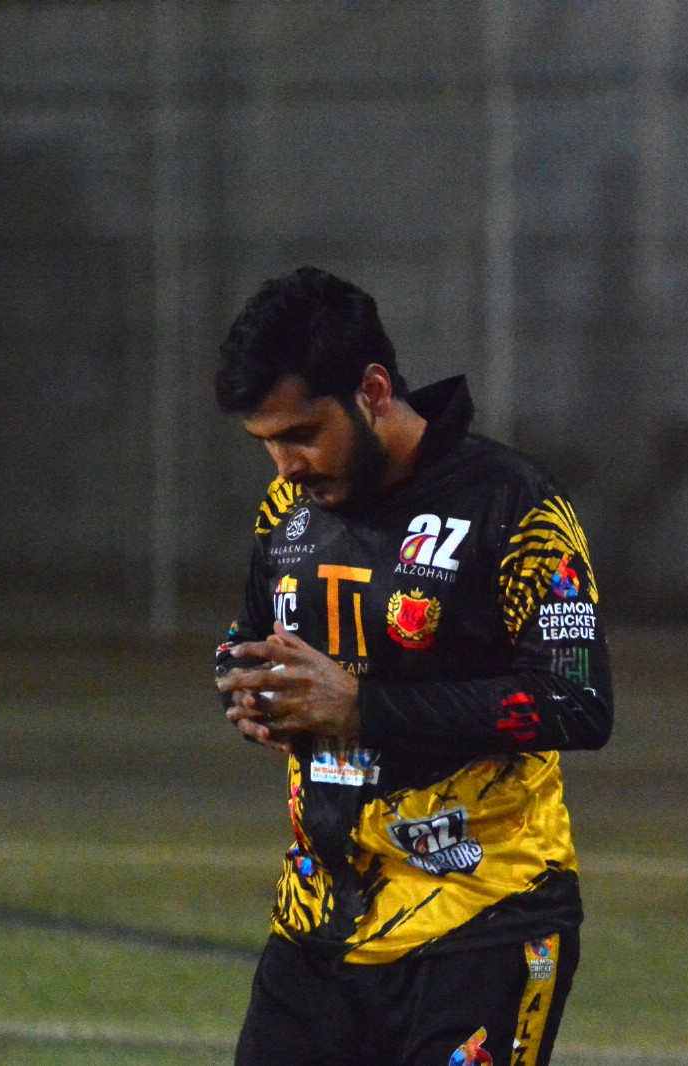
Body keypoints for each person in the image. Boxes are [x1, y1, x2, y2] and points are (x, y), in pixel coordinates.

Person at [213, 266, 613, 1066]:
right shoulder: (287, 512)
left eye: (301, 434)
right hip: (315, 927)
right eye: (267, 444)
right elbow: (249, 636)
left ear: (371, 391)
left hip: (483, 921)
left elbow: (577, 700)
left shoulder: (515, 507)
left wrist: (363, 708)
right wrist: (244, 687)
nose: (285, 465)